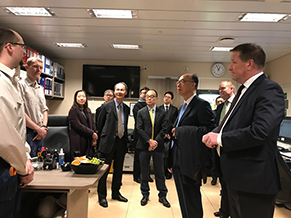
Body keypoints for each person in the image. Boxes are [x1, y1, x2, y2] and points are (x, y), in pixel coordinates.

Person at [202, 43, 285, 218]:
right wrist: (215, 132)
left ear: (249, 64)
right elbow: (231, 122)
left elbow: (261, 131)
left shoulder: (269, 89)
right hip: (237, 178)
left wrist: (220, 138)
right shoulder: (244, 90)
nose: (230, 67)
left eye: (234, 62)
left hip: (253, 181)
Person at [169, 73, 216, 218]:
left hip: (191, 162)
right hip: (178, 160)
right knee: (183, 200)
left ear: (193, 85)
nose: (178, 84)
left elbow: (209, 130)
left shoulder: (201, 105)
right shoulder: (183, 106)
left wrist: (181, 131)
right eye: (177, 82)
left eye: (182, 81)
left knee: (192, 201)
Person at [0, 27, 34, 218]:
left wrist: (26, 158)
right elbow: (5, 138)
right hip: (4, 168)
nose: (24, 51)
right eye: (22, 46)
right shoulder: (1, 82)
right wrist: (24, 166)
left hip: (11, 166)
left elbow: (16, 127)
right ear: (9, 47)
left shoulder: (11, 80)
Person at [97, 82, 130, 208]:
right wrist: (99, 142)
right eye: (117, 89)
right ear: (114, 91)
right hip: (107, 143)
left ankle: (116, 193)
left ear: (125, 92)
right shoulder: (106, 106)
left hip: (121, 142)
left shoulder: (126, 108)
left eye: (122, 90)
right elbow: (100, 126)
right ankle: (102, 196)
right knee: (104, 171)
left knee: (118, 170)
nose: (119, 92)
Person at [136, 89, 170, 207]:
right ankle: (145, 194)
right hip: (144, 146)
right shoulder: (140, 112)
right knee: (144, 172)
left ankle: (162, 195)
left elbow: (164, 128)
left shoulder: (163, 112)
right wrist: (149, 141)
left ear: (156, 98)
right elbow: (139, 128)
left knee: (160, 172)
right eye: (147, 96)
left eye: (152, 96)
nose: (149, 98)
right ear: (145, 98)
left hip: (158, 146)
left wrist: (155, 142)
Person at [212, 81, 235, 218]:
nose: (220, 90)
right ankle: (224, 211)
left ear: (232, 88)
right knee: (223, 184)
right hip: (218, 149)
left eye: (223, 88)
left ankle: (231, 211)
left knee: (232, 184)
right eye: (219, 88)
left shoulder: (238, 105)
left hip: (232, 149)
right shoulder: (221, 107)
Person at [19, 57, 49, 157]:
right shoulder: (20, 85)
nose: (38, 70)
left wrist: (43, 128)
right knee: (29, 164)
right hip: (28, 132)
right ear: (27, 67)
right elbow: (20, 112)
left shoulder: (40, 88)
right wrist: (37, 129)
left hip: (40, 133)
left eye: (40, 68)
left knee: (39, 163)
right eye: (35, 67)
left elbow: (44, 109)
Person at [132, 86, 154, 183]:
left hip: (149, 135)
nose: (145, 95)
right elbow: (140, 122)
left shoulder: (150, 106)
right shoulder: (137, 106)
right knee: (138, 157)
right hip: (139, 134)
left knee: (147, 157)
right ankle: (137, 176)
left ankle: (146, 175)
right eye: (143, 93)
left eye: (147, 93)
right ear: (140, 94)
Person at [68, 90, 97, 158]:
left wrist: (94, 137)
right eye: (79, 96)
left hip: (88, 140)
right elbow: (78, 126)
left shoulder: (88, 110)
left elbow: (93, 124)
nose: (81, 98)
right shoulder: (73, 111)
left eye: (83, 96)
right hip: (79, 141)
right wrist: (92, 133)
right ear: (75, 98)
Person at [158, 91, 178, 179]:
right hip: (160, 135)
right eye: (165, 96)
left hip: (171, 136)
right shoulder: (159, 108)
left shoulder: (174, 110)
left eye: (168, 97)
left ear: (171, 99)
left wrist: (169, 133)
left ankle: (168, 171)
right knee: (161, 154)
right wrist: (163, 134)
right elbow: (158, 123)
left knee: (169, 155)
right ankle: (161, 172)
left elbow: (175, 123)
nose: (166, 98)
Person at [210, 96, 225, 186]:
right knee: (214, 160)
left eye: (221, 101)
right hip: (214, 138)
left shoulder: (229, 111)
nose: (219, 103)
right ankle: (214, 177)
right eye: (218, 101)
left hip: (225, 139)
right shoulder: (214, 112)